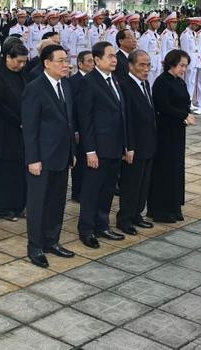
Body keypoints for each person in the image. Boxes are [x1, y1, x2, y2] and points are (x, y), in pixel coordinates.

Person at [21, 44, 76, 268]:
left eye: (67, 60)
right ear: (47, 63)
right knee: (38, 204)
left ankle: (52, 241)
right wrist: (33, 159)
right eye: (61, 61)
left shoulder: (66, 86)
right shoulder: (35, 88)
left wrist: (72, 151)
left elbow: (69, 123)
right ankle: (35, 247)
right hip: (41, 158)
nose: (66, 64)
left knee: (56, 201)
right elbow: (30, 127)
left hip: (62, 155)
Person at [76, 41, 127, 249]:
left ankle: (102, 224)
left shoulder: (113, 79)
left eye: (115, 56)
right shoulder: (89, 82)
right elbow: (85, 120)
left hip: (114, 147)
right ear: (97, 60)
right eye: (110, 56)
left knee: (107, 189)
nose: (114, 59)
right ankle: (86, 229)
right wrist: (90, 150)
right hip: (97, 148)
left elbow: (120, 114)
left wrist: (125, 144)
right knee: (91, 190)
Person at [149, 49, 194, 223]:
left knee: (176, 168)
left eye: (185, 66)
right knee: (165, 169)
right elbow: (163, 106)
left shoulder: (179, 82)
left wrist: (186, 112)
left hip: (178, 130)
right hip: (165, 131)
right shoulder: (162, 82)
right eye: (181, 65)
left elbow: (186, 101)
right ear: (171, 63)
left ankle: (174, 206)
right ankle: (161, 209)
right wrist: (182, 115)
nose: (183, 69)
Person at [0, 40, 29, 220]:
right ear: (7, 57)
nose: (21, 65)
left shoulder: (21, 73)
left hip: (21, 130)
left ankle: (18, 205)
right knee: (2, 170)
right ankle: (1, 206)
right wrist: (18, 121)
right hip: (2, 130)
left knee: (19, 169)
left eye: (24, 61)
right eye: (18, 61)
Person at [117, 50, 157, 235]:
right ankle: (124, 219)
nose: (146, 69)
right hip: (134, 145)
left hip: (148, 142)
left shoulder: (145, 84)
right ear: (130, 66)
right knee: (131, 184)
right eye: (142, 65)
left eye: (148, 64)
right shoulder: (124, 86)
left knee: (144, 183)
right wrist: (129, 146)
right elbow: (126, 120)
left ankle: (137, 215)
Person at [69, 50, 94, 202]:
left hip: (91, 128)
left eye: (93, 61)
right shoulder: (74, 81)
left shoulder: (94, 79)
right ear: (80, 64)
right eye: (89, 61)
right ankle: (77, 192)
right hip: (78, 128)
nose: (92, 64)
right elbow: (73, 108)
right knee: (79, 163)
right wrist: (76, 130)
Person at [138, 13, 162, 86]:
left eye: (158, 21)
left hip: (157, 62)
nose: (158, 24)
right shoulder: (146, 36)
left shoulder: (157, 36)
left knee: (156, 84)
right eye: (155, 22)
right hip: (150, 63)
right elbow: (142, 52)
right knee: (149, 83)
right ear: (150, 23)